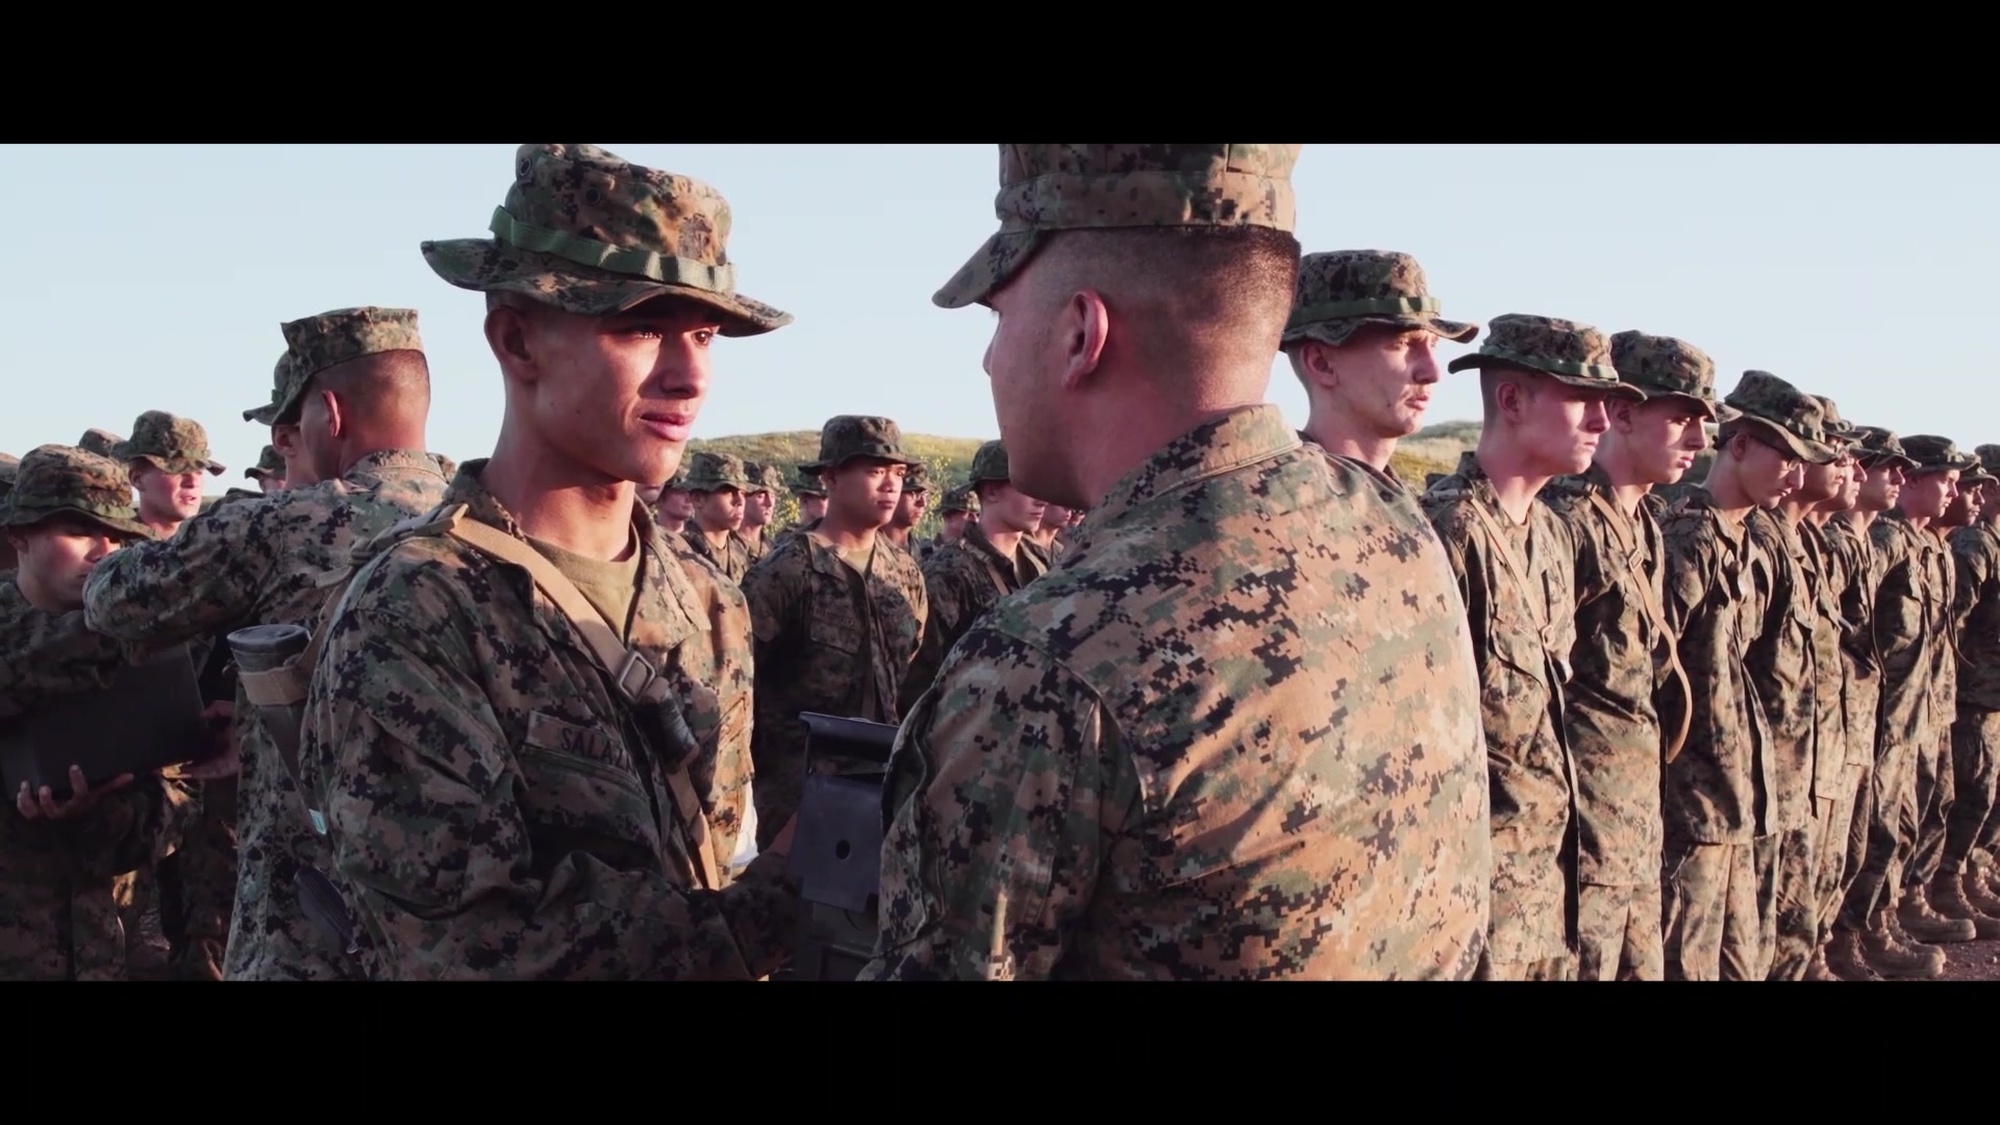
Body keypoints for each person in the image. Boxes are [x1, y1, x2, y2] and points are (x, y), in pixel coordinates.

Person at [864, 143, 1489, 980]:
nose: (988, 359)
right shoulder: (1395, 531)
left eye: (998, 317)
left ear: (1081, 332)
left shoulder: (1050, 667)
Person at [297, 142, 798, 979]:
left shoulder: (709, 599)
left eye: (704, 333)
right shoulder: (417, 610)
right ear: (517, 341)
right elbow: (469, 952)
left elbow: (717, 852)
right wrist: (786, 898)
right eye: (640, 324)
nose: (689, 375)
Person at [83, 306, 453, 981]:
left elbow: (114, 599)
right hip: (460, 928)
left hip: (309, 928)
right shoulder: (490, 524)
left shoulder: (290, 523)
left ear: (330, 413)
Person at [1423, 314, 1642, 981]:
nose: (1603, 422)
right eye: (1582, 400)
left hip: (1547, 883)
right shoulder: (1443, 535)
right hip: (1473, 897)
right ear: (1513, 400)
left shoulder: (1553, 535)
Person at [1537, 328, 1723, 980]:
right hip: (1582, 842)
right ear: (1620, 412)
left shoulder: (1644, 523)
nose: (1699, 441)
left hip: (1636, 829)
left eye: (1703, 423)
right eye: (1680, 418)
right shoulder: (1565, 522)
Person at [0, 444, 197, 980]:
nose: (103, 551)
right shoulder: (127, 639)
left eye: (117, 536)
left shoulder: (149, 653)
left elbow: (177, 804)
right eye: (79, 530)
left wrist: (99, 813)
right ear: (19, 535)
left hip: (102, 951)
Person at [740, 415, 927, 850]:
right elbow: (744, 681)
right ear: (830, 477)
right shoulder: (786, 570)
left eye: (897, 474)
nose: (890, 486)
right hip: (800, 794)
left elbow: (913, 671)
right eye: (874, 471)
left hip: (883, 784)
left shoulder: (903, 573)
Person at [1280, 248, 1478, 480]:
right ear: (1321, 364)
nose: (1432, 372)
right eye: (1402, 344)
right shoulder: (1280, 503)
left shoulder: (1407, 509)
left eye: (1433, 344)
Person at [899, 439, 1047, 711]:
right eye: (1028, 487)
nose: (1041, 499)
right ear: (990, 491)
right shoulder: (950, 571)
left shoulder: (1041, 562)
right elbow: (921, 677)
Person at [677, 451, 754, 582]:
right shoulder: (678, 553)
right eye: (728, 491)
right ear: (697, 499)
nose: (740, 501)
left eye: (743, 492)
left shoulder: (741, 554)